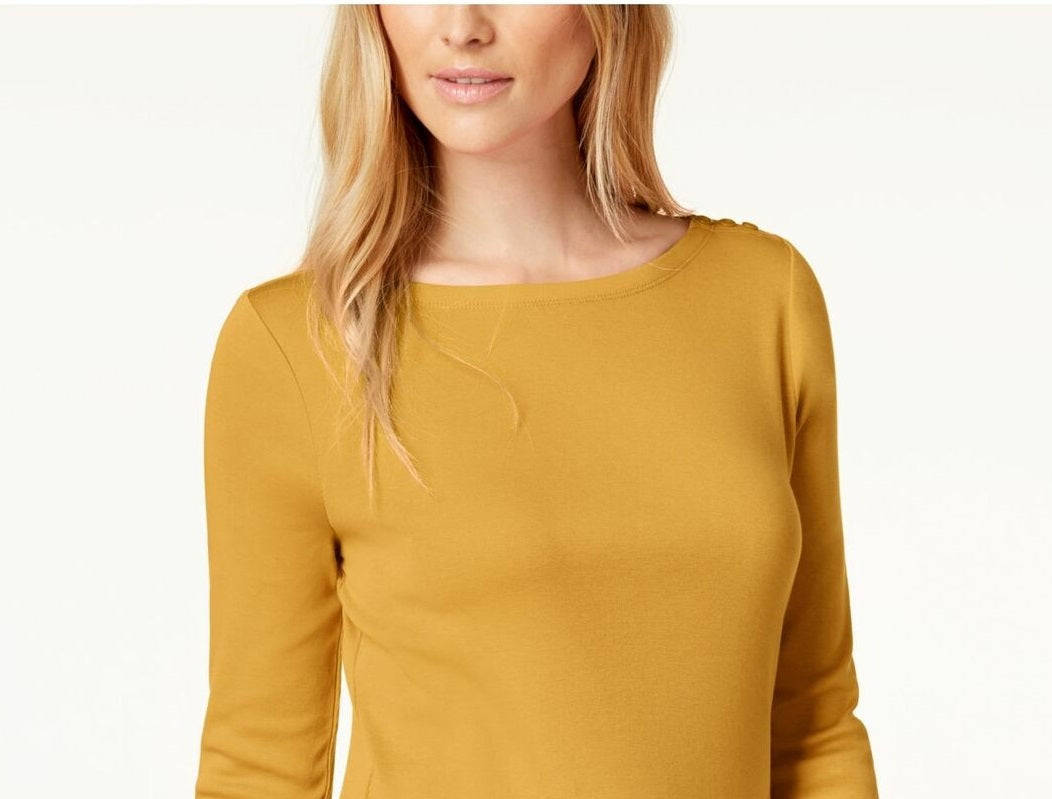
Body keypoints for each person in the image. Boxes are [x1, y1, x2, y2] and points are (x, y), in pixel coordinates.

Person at [193, 5, 879, 798]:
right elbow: (261, 764)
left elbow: (813, 725)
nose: (462, 25)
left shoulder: (759, 297)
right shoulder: (298, 343)